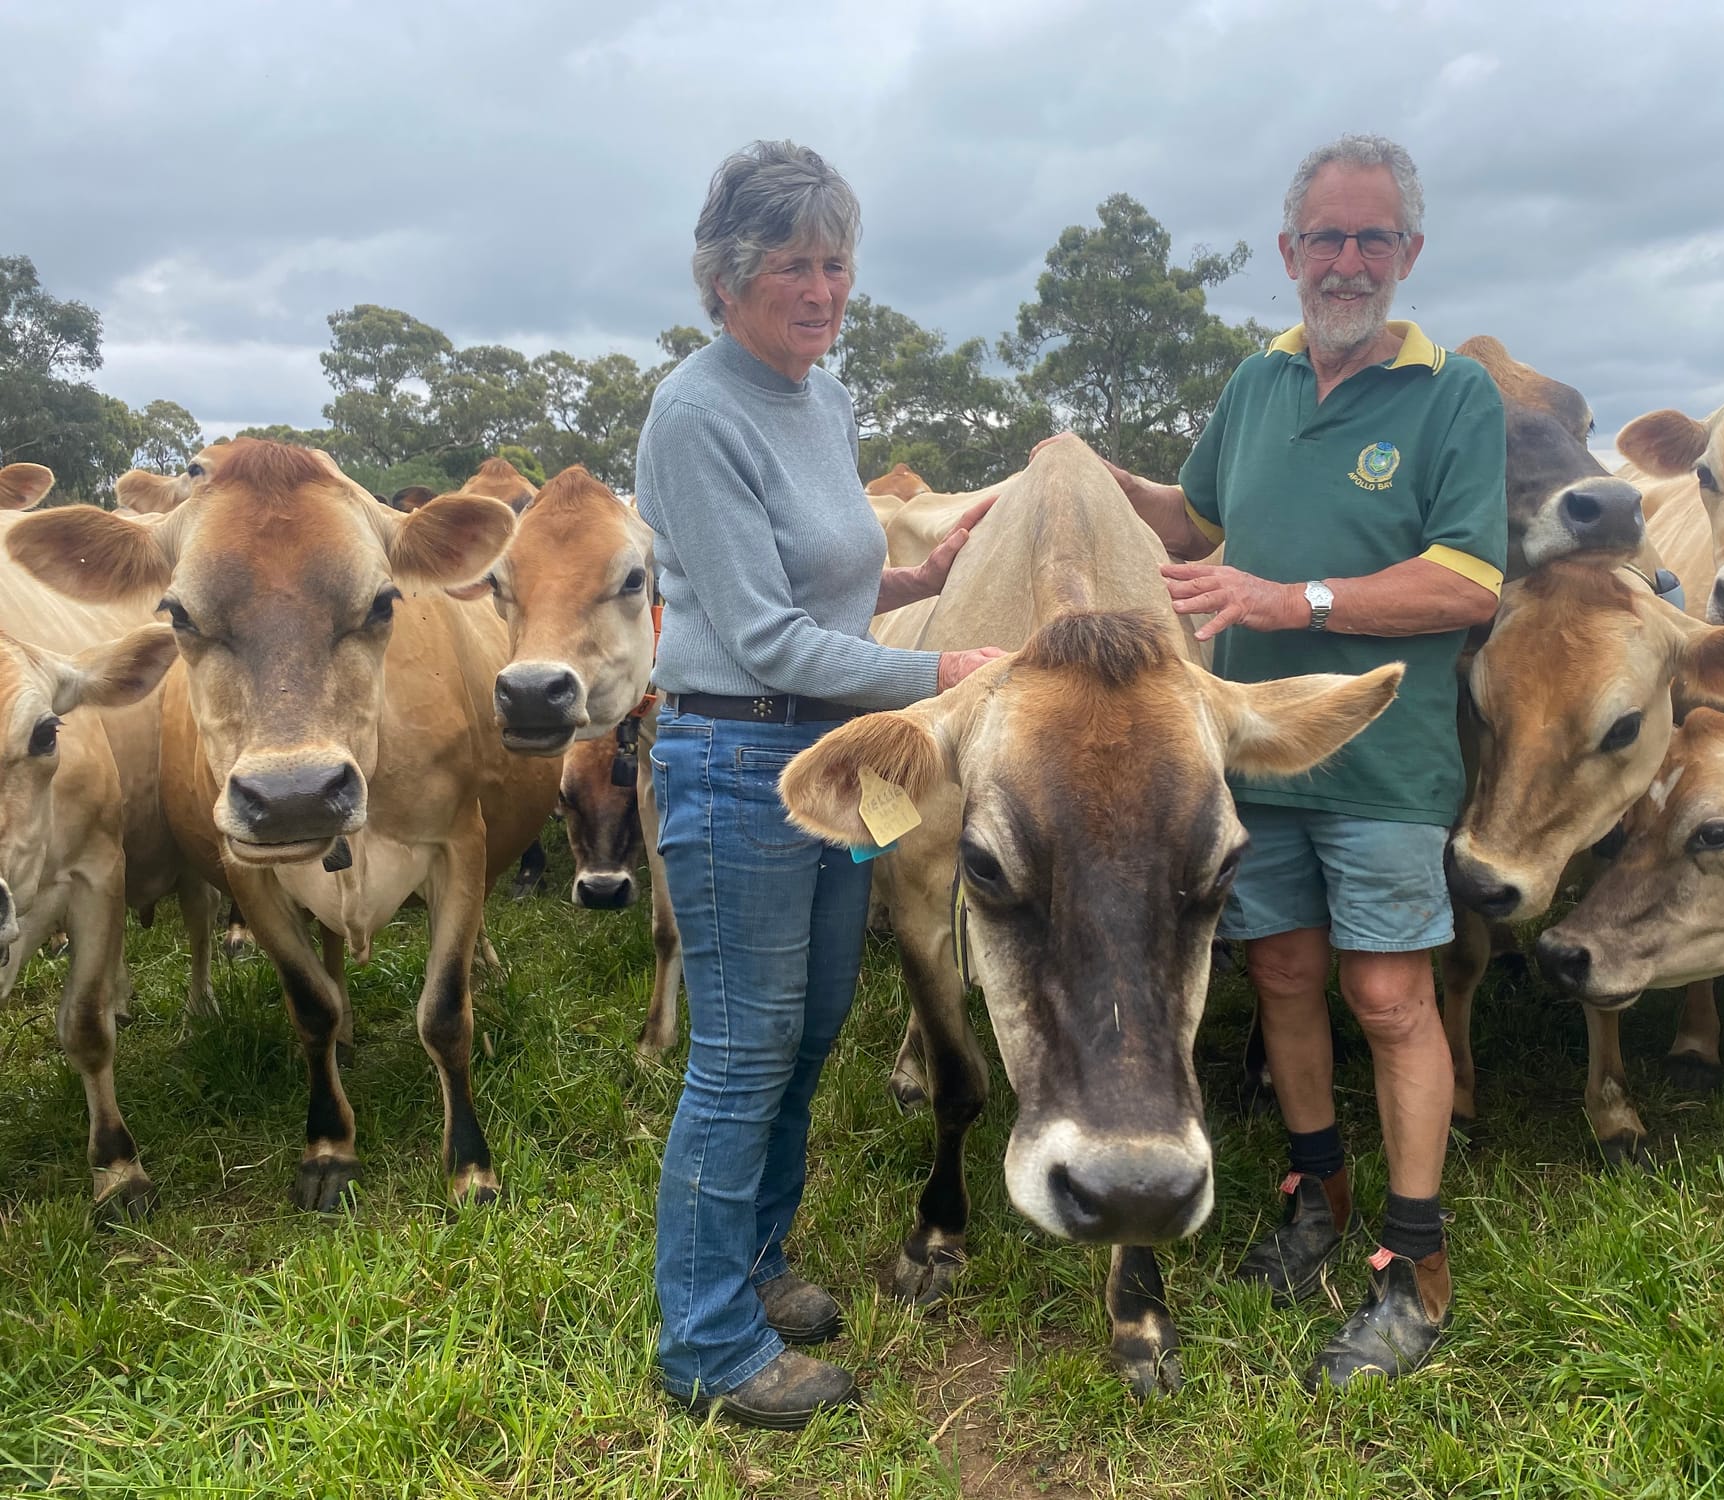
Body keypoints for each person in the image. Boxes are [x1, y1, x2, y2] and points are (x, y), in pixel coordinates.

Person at [1095, 135, 1505, 1385]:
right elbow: (1195, 519)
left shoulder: (1453, 397)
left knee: (1388, 999)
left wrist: (1294, 600)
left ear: (1407, 256)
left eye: (1369, 239)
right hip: (1251, 759)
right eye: (1322, 239)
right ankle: (1311, 1193)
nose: (1344, 260)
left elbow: (1463, 582)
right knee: (1278, 975)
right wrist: (1081, 471)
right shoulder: (1256, 382)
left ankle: (1415, 1268)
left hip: (1380, 764)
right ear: (1286, 254)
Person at [635, 140, 1004, 1430]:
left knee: (808, 1030)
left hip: (834, 758)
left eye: (834, 261)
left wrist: (917, 581)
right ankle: (705, 1341)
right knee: (739, 1051)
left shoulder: (820, 398)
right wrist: (945, 664)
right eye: (789, 262)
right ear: (725, 280)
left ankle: (753, 1263)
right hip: (739, 757)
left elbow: (821, 590)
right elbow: (760, 634)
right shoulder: (695, 413)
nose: (820, 286)